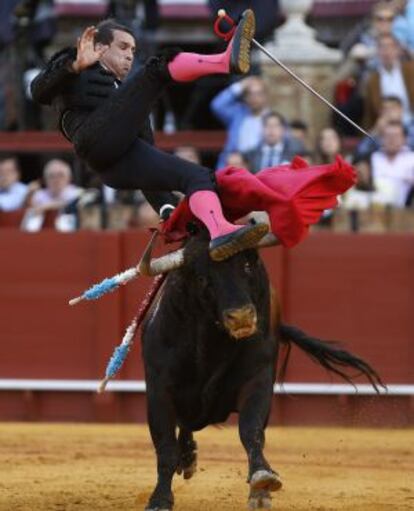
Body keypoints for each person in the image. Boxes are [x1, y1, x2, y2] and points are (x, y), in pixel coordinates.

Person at [30, 13, 269, 262]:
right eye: (122, 47)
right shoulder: (76, 64)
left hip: (115, 166)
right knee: (157, 67)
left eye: (132, 49)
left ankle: (220, 230)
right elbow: (37, 91)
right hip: (92, 139)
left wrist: (167, 210)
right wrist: (74, 65)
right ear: (100, 48)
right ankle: (223, 61)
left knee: (197, 176)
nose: (129, 55)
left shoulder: (130, 101)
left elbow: (149, 154)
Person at [211, 76, 270, 168]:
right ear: (245, 97)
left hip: (259, 169)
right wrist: (241, 85)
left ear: (265, 96)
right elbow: (217, 105)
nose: (254, 98)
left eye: (258, 94)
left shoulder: (273, 120)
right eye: (250, 94)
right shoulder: (238, 113)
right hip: (234, 166)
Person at [362, 33, 414, 129]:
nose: (386, 51)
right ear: (377, 51)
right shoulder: (372, 81)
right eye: (382, 47)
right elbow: (369, 115)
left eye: (390, 47)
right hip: (386, 129)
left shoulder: (411, 71)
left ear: (398, 50)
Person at [370, 120, 414, 207]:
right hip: (376, 208)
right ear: (381, 138)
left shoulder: (412, 158)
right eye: (388, 136)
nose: (392, 140)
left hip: (406, 210)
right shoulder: (373, 157)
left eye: (396, 136)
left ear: (404, 139)